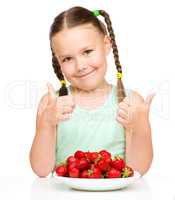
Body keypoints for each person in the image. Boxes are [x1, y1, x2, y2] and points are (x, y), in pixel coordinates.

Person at [29, 6, 155, 177]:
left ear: (106, 44)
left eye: (87, 52)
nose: (80, 66)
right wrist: (47, 123)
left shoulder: (129, 102)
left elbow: (139, 169)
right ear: (58, 62)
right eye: (67, 58)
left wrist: (140, 127)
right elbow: (41, 170)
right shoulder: (52, 104)